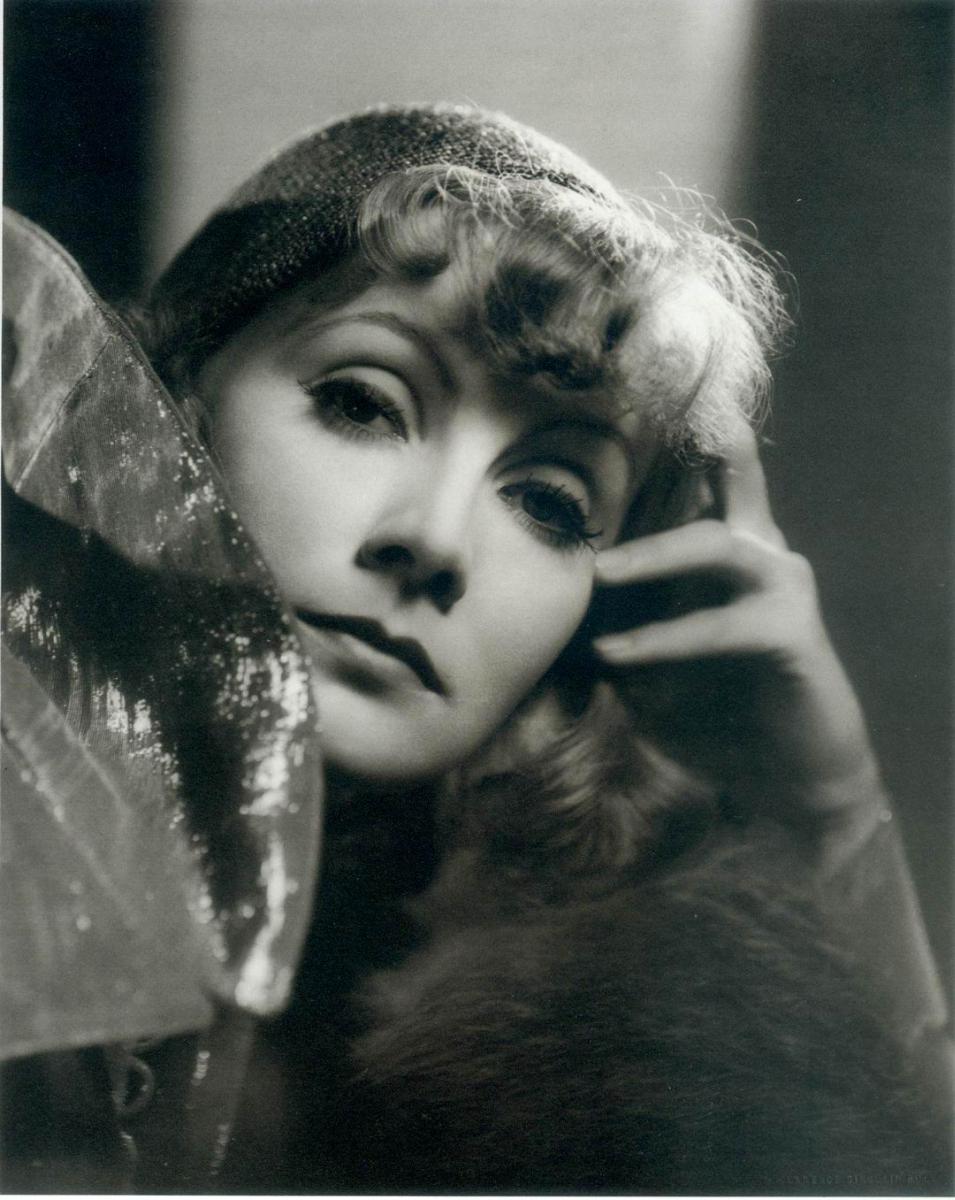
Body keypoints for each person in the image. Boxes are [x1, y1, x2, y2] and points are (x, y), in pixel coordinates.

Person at [2, 103, 950, 1193]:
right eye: (362, 405)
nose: (436, 541)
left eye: (549, 501)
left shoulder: (582, 1039)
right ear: (169, 402)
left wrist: (830, 809)